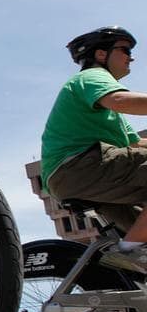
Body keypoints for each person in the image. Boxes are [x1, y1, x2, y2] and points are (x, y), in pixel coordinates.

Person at [41, 26, 147, 274]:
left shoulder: (104, 106)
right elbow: (121, 101)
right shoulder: (92, 77)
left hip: (83, 175)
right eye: (125, 50)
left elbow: (133, 145)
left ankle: (130, 254)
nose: (131, 57)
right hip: (80, 167)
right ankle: (128, 252)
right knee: (135, 247)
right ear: (101, 55)